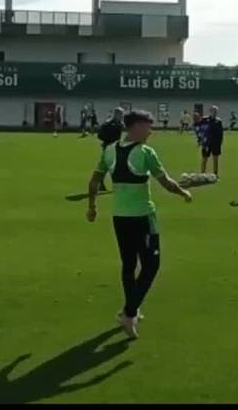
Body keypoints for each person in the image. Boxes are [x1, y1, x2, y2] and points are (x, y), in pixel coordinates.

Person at [86, 110, 193, 339]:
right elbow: (166, 183)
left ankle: (131, 310)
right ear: (134, 127)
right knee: (151, 266)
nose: (150, 131)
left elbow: (94, 180)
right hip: (143, 217)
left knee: (128, 264)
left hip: (119, 217)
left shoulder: (109, 150)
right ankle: (129, 312)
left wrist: (92, 207)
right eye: (147, 127)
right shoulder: (146, 153)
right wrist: (184, 192)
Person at [96, 107, 126, 192]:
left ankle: (103, 183)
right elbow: (100, 135)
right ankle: (108, 184)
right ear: (116, 114)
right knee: (111, 166)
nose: (122, 116)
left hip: (116, 147)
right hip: (108, 147)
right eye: (121, 114)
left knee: (112, 166)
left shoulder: (120, 123)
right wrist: (108, 141)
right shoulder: (108, 123)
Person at [200, 106, 224, 179]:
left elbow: (221, 133)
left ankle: (215, 174)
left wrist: (220, 142)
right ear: (210, 111)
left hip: (215, 143)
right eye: (213, 111)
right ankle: (202, 175)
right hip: (206, 143)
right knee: (204, 158)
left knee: (215, 159)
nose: (214, 112)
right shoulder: (205, 119)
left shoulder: (218, 121)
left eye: (215, 111)